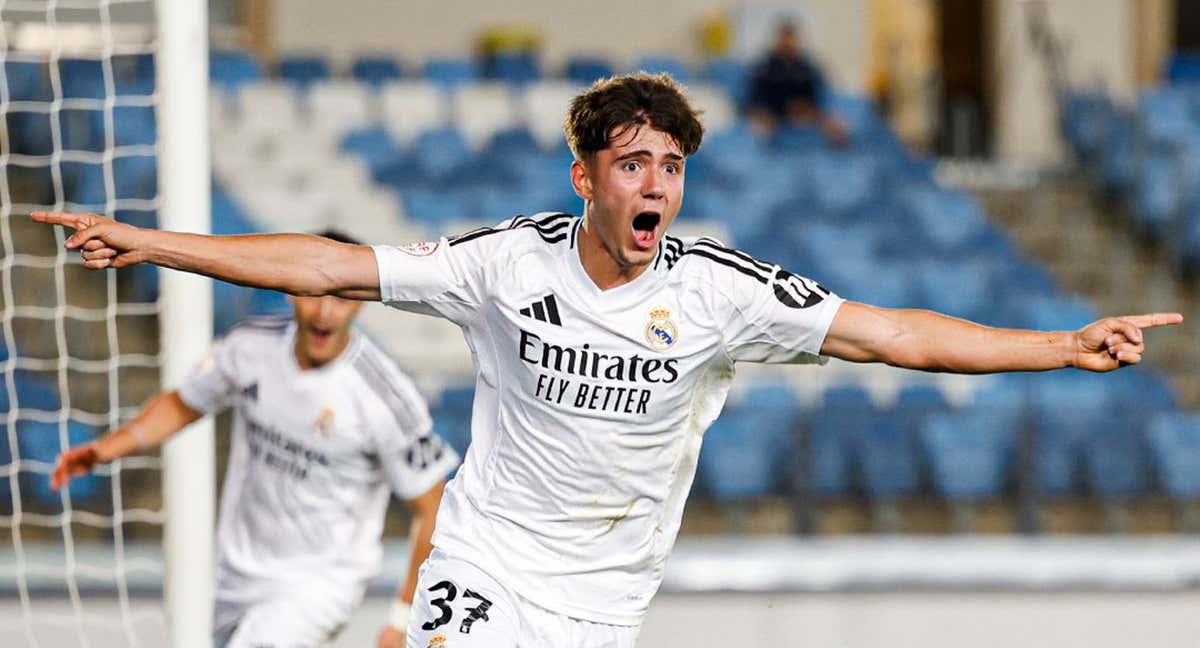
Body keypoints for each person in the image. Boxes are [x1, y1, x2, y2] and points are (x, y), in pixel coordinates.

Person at [35, 73, 1181, 648]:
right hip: (484, 557)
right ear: (583, 177)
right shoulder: (501, 263)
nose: (658, 186)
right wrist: (151, 242)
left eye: (672, 166)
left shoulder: (721, 292)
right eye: (634, 164)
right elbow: (327, 267)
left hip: (602, 597)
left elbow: (898, 335)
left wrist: (1058, 345)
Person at [49, 230, 459, 648]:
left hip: (319, 583)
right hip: (236, 573)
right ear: (291, 289)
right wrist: (106, 448)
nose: (324, 314)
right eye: (315, 294)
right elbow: (184, 403)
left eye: (342, 298)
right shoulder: (250, 347)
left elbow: (432, 507)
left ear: (362, 300)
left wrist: (401, 617)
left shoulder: (384, 395)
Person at [747, 21, 849, 144]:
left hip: (802, 110)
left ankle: (839, 153)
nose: (787, 43)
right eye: (784, 39)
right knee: (762, 130)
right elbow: (756, 94)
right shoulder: (766, 66)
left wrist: (808, 108)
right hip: (771, 110)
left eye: (791, 39)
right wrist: (762, 110)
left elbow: (816, 90)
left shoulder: (806, 66)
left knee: (835, 126)